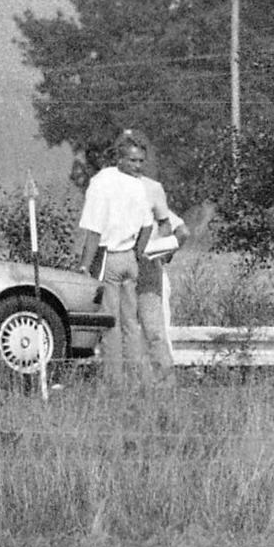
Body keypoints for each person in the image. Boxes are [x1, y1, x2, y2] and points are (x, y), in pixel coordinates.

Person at [75, 129, 168, 379]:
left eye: (140, 161)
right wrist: (137, 253)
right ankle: (135, 376)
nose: (138, 166)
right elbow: (147, 226)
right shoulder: (138, 187)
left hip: (110, 257)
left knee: (110, 323)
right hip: (130, 258)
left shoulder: (102, 182)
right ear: (120, 159)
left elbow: (94, 230)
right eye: (133, 161)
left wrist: (84, 265)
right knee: (130, 324)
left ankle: (114, 379)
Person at [135, 170, 189, 377]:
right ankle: (162, 375)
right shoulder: (154, 202)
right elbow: (182, 232)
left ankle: (149, 376)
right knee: (158, 329)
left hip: (138, 268)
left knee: (138, 329)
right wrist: (165, 252)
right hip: (154, 265)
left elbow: (183, 231)